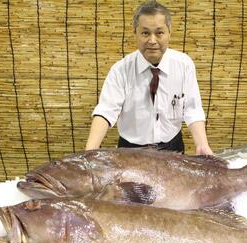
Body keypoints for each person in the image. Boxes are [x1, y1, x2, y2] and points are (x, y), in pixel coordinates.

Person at [85, 0, 213, 155]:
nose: (152, 41)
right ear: (135, 33)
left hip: (172, 149)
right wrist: (89, 152)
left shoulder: (184, 65)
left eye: (159, 33)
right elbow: (106, 112)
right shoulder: (121, 70)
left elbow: (193, 109)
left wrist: (202, 144)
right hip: (130, 151)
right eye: (145, 33)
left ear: (169, 33)